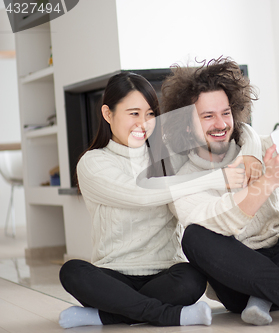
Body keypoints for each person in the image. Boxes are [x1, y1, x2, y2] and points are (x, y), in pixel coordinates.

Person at [58, 72, 264, 328]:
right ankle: (170, 315)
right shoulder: (93, 163)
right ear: (108, 114)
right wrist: (217, 179)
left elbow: (240, 130)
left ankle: (106, 315)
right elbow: (141, 193)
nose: (143, 123)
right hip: (113, 274)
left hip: (167, 273)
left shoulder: (167, 156)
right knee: (73, 272)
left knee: (193, 277)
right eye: (133, 113)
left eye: (150, 114)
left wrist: (253, 156)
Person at [162, 57, 279, 327]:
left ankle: (263, 298)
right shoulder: (183, 182)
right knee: (194, 237)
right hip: (239, 283)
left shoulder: (262, 145)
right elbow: (220, 221)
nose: (220, 123)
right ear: (186, 124)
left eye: (225, 113)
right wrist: (269, 181)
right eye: (208, 116)